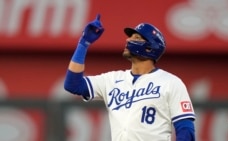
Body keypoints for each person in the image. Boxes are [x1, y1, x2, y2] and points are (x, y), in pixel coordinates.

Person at [64, 14, 196, 141]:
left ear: (150, 48)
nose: (128, 40)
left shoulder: (171, 82)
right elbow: (73, 85)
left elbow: (185, 129)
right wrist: (83, 44)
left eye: (137, 38)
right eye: (130, 37)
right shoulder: (112, 79)